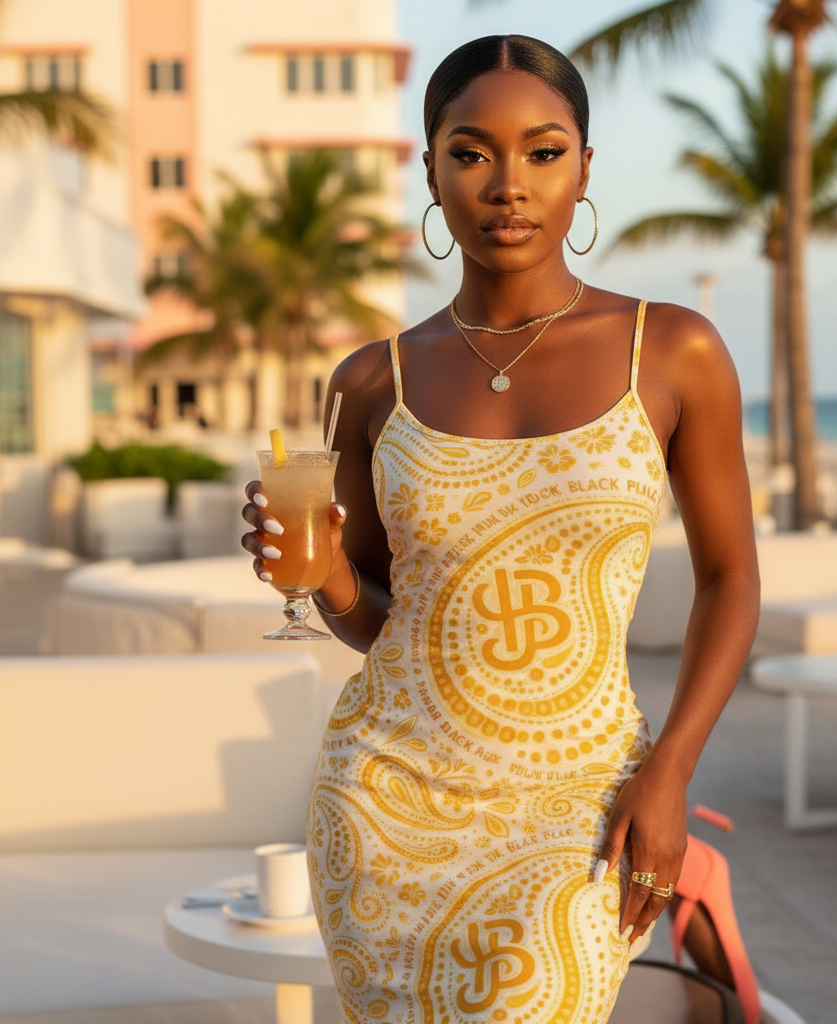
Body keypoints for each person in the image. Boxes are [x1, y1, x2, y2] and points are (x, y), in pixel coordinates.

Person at [242, 34, 759, 1024]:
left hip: (585, 797)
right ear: (429, 169)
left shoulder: (674, 350)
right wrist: (320, 578)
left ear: (585, 168)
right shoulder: (369, 378)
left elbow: (731, 579)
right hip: (385, 798)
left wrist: (671, 771)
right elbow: (379, 620)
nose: (507, 184)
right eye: (471, 152)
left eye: (543, 151)